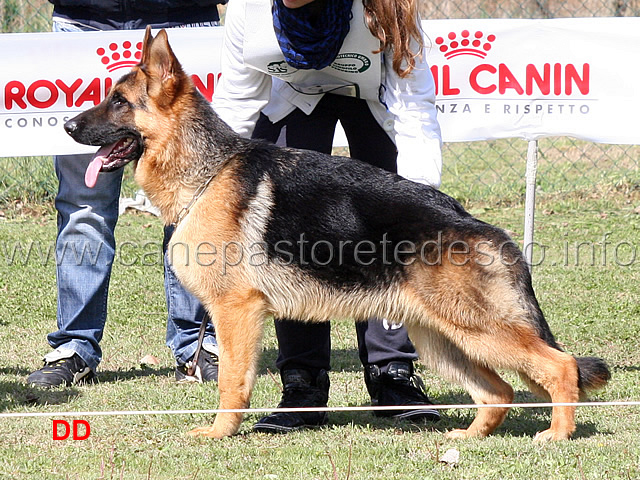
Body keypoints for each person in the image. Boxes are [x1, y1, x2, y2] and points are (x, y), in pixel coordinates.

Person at [212, 0, 443, 432]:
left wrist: (419, 197)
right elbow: (237, 98)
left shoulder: (386, 6)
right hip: (290, 101)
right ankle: (303, 383)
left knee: (392, 238)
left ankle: (392, 375)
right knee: (281, 240)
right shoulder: (249, 9)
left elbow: (414, 102)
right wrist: (202, 179)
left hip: (376, 103)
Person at [26, 0, 225, 388]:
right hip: (83, 24)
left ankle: (200, 345)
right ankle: (74, 347)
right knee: (84, 203)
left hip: (186, 22)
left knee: (194, 203)